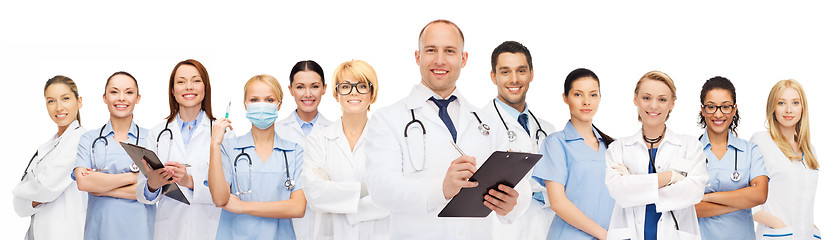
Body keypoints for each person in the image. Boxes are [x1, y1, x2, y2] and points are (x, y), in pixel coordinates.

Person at [364, 19, 530, 239]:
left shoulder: (487, 121)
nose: (440, 60)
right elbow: (381, 189)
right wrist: (441, 189)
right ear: (418, 57)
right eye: (431, 50)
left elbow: (521, 184)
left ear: (463, 59)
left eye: (450, 51)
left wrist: (513, 202)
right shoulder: (388, 118)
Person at [604, 71, 707, 240]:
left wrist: (633, 183)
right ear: (635, 99)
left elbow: (693, 192)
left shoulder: (691, 146)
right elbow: (619, 192)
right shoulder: (618, 148)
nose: (653, 106)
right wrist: (670, 177)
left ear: (672, 103)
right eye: (646, 98)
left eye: (662, 99)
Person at [209, 74, 306, 239]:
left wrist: (243, 207)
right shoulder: (228, 148)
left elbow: (298, 208)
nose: (262, 106)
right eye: (254, 100)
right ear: (245, 105)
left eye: (269, 100)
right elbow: (219, 199)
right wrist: (214, 145)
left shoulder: (294, 151)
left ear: (279, 104)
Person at [135, 59, 222, 240]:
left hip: (209, 229)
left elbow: (227, 192)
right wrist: (152, 184)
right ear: (173, 91)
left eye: (196, 81)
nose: (188, 87)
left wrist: (189, 181)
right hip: (169, 230)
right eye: (181, 82)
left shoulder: (222, 132)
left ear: (205, 88)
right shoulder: (158, 133)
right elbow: (143, 195)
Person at [302, 60, 389, 240]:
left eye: (362, 86)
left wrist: (337, 197)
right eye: (346, 86)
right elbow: (314, 194)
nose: (354, 91)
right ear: (336, 94)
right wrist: (365, 189)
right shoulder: (318, 140)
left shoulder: (388, 141)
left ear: (372, 94)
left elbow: (390, 198)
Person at [477, 40, 555, 240]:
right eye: (505, 72)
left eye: (521, 71)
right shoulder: (477, 126)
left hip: (544, 230)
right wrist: (542, 192)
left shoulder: (547, 130)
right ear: (493, 76)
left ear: (531, 74)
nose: (514, 79)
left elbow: (561, 188)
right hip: (501, 233)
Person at [532, 68, 615, 240]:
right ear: (565, 98)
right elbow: (558, 203)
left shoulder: (613, 146)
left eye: (593, 95)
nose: (586, 102)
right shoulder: (556, 143)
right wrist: (605, 236)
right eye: (578, 95)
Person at [72, 71, 154, 239]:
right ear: (104, 97)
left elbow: (152, 191)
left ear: (138, 98)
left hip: (139, 231)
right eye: (114, 92)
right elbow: (83, 182)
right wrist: (135, 177)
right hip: (100, 230)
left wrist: (100, 187)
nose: (121, 98)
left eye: (129, 92)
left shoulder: (151, 138)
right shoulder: (89, 139)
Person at [13, 75, 88, 240]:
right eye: (51, 101)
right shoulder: (46, 147)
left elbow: (46, 188)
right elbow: (18, 207)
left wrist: (19, 190)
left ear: (79, 101)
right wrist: (30, 196)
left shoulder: (81, 140)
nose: (59, 107)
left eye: (65, 98)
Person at [695, 76, 768, 239]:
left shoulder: (750, 150)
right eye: (711, 107)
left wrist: (707, 198)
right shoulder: (690, 151)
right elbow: (688, 207)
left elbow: (759, 195)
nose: (718, 114)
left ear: (734, 109)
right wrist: (741, 201)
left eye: (725, 107)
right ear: (703, 109)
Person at [750, 79, 820, 239]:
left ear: (803, 108)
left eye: (795, 103)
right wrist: (778, 225)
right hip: (778, 235)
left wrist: (813, 228)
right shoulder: (761, 142)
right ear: (772, 107)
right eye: (781, 103)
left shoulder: (810, 150)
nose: (789, 110)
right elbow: (748, 200)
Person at [275, 60, 333, 240]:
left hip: (326, 222)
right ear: (290, 89)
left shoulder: (336, 132)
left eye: (314, 86)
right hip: (284, 223)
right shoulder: (276, 132)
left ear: (324, 88)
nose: (308, 94)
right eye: (300, 87)